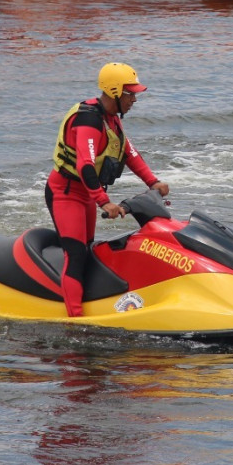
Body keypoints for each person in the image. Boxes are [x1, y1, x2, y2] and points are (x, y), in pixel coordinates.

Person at [46, 62, 170, 316]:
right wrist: (104, 202)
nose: (134, 99)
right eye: (130, 93)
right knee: (77, 254)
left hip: (85, 195)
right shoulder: (89, 120)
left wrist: (153, 182)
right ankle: (75, 321)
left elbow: (129, 152)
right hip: (65, 193)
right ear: (114, 91)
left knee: (90, 247)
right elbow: (86, 167)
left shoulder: (111, 119)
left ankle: (89, 303)